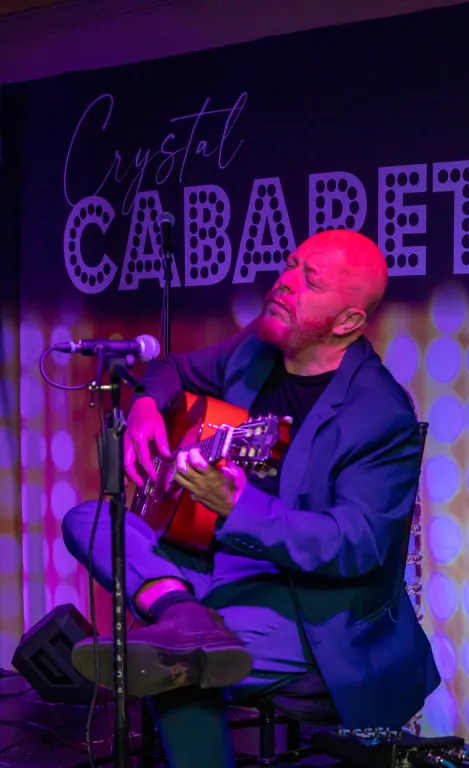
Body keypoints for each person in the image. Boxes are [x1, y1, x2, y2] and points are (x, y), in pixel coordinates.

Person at [61, 230, 440, 767]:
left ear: (348, 323)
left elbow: (353, 544)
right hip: (209, 565)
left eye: (309, 282)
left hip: (308, 606)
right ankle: (183, 613)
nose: (284, 284)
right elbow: (172, 368)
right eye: (290, 266)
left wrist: (238, 509)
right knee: (90, 519)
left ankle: (184, 631)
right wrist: (148, 404)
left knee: (179, 668)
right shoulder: (259, 348)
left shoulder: (379, 415)